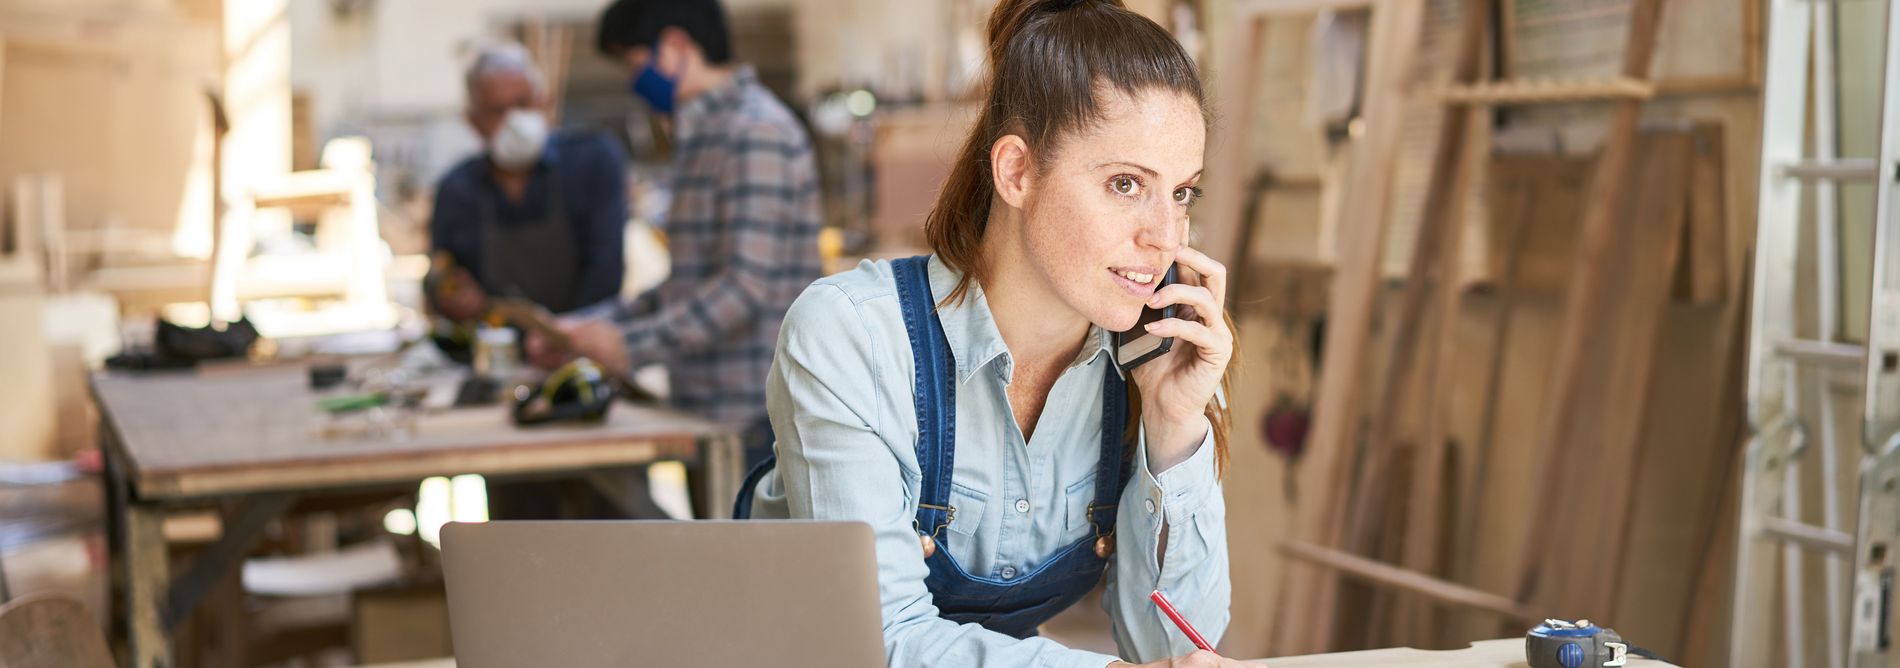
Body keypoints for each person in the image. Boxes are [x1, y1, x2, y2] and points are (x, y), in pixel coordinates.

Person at [737, 1, 1241, 666]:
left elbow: (1176, 648)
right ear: (1016, 172)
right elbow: (879, 640)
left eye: (1182, 194)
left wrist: (1174, 426)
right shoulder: (853, 337)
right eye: (1126, 184)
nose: (1165, 236)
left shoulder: (1137, 366)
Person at [530, 0, 823, 466]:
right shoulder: (703, 137)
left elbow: (742, 289)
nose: (632, 81)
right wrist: (590, 328)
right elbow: (685, 286)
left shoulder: (756, 132)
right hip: (706, 411)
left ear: (675, 46)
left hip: (754, 418)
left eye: (633, 62)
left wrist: (628, 346)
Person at [430, 43, 628, 320]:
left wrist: (563, 338)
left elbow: (606, 271)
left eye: (522, 104)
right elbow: (441, 277)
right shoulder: (457, 190)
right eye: (497, 111)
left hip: (584, 341)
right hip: (498, 348)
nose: (514, 122)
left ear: (543, 102)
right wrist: (452, 297)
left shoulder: (592, 161)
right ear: (473, 120)